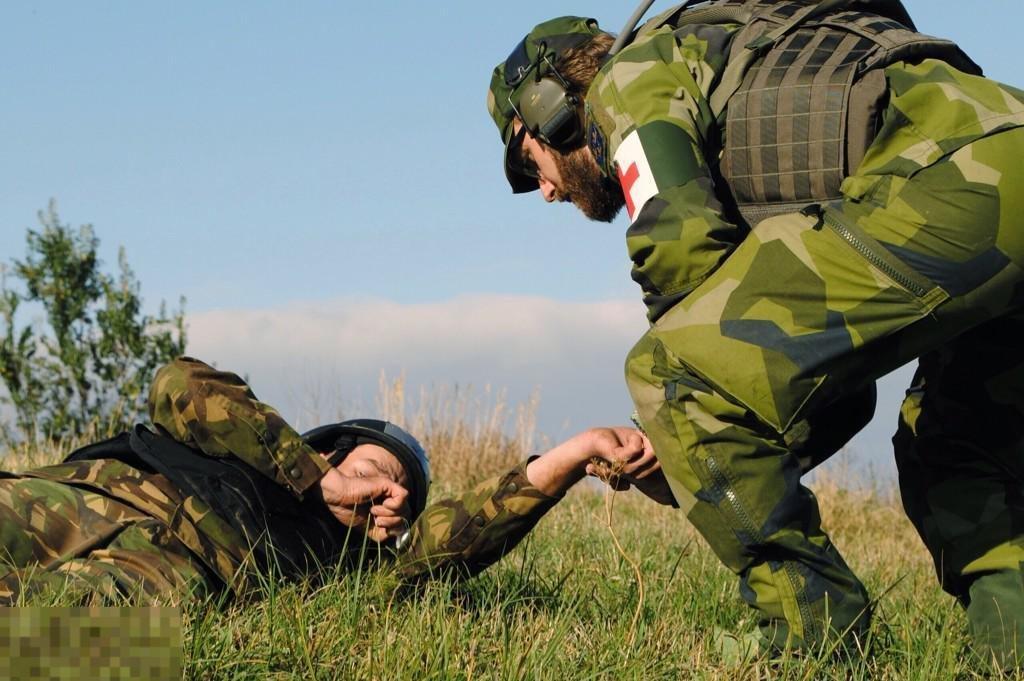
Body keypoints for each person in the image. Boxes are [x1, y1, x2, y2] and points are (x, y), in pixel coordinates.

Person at [486, 0, 1024, 668]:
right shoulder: (735, 59)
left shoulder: (629, 77)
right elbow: (837, 390)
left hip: (960, 182)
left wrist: (685, 416)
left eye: (522, 159)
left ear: (548, 104)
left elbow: (677, 240)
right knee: (961, 449)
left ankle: (813, 647)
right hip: (997, 157)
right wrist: (691, 457)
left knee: (675, 371)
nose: (539, 190)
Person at [0, 356, 663, 605]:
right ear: (333, 451)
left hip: (172, 581)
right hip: (94, 496)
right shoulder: (260, 447)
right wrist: (310, 477)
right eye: (374, 467)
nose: (388, 488)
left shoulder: (350, 575)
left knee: (62, 654)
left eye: (402, 492)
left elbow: (459, 537)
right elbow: (178, 383)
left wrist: (570, 457)